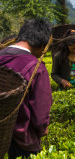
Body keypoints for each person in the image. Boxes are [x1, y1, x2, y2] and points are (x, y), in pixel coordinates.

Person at [0, 19, 53, 158]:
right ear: (42, 45)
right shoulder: (36, 68)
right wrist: (43, 128)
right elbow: (40, 109)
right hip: (20, 140)